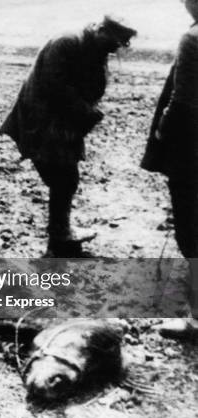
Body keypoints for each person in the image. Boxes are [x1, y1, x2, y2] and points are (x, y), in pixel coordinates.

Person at [0, 16, 137, 257]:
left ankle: (60, 236)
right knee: (64, 178)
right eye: (116, 40)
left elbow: (91, 85)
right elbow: (55, 87)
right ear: (101, 29)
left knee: (66, 179)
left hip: (62, 123)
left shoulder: (93, 47)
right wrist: (87, 113)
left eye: (123, 43)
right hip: (42, 122)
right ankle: (59, 241)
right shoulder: (67, 42)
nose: (117, 48)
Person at [142, 0, 198, 338]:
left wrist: (162, 133)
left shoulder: (193, 38)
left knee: (192, 233)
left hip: (192, 152)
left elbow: (183, 101)